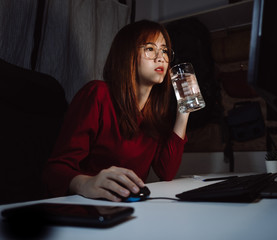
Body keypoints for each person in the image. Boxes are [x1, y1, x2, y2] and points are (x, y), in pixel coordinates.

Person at [42, 20, 190, 202]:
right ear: (128, 54)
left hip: (129, 207)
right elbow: (55, 170)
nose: (161, 58)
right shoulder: (97, 94)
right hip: (86, 204)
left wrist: (185, 110)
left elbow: (166, 172)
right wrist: (86, 183)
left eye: (165, 50)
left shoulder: (156, 114)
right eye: (150, 49)